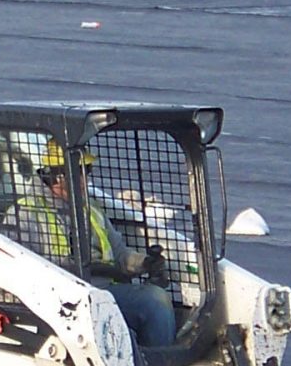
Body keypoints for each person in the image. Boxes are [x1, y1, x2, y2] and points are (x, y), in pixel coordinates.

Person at [13, 147, 177, 349]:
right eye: (79, 172)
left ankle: (160, 360)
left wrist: (145, 263)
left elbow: (119, 253)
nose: (85, 180)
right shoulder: (24, 214)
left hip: (104, 292)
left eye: (87, 171)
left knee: (155, 300)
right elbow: (17, 270)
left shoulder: (90, 208)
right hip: (59, 302)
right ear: (56, 177)